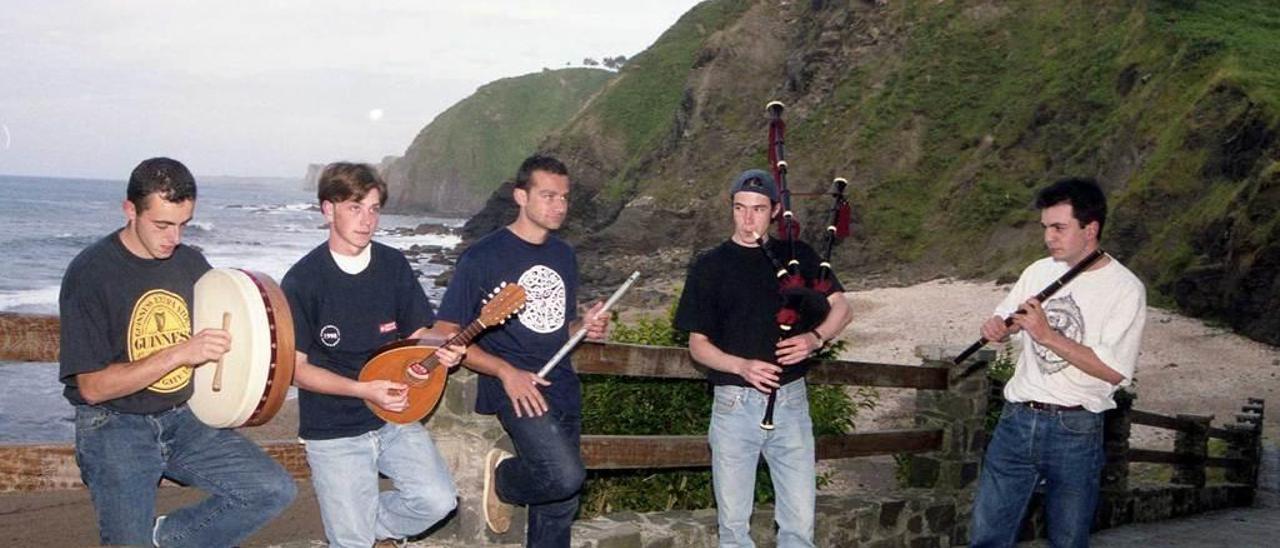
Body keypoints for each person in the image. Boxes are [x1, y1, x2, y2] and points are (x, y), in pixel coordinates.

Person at [58, 157, 296, 547]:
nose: (175, 238)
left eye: (183, 224)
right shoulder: (91, 273)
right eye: (163, 225)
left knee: (271, 489)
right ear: (130, 210)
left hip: (184, 420)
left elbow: (228, 317)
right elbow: (93, 388)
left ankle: (165, 537)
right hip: (115, 425)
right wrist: (179, 353)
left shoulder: (190, 263)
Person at [282, 162, 465, 548]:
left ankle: (365, 524)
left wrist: (444, 349)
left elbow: (420, 334)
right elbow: (298, 371)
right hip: (333, 429)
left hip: (394, 416)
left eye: (374, 208)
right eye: (354, 207)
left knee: (438, 500)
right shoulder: (303, 280)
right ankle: (354, 530)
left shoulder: (392, 265)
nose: (367, 220)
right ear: (327, 210)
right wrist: (363, 390)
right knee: (352, 542)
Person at [435, 154, 608, 548]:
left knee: (561, 505)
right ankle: (503, 481)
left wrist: (585, 327)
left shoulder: (564, 255)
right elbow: (447, 332)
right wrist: (504, 372)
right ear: (520, 196)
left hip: (562, 382)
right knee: (564, 476)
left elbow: (556, 327)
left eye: (564, 197)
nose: (559, 206)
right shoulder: (482, 257)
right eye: (548, 196)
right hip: (517, 390)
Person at [673, 169, 853, 548]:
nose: (748, 219)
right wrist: (741, 366)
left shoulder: (798, 257)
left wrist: (814, 338)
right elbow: (697, 346)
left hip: (791, 403)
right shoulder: (711, 266)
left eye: (757, 209)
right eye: (740, 208)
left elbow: (842, 308)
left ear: (774, 211)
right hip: (733, 405)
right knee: (734, 529)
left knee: (799, 527)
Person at [968, 177, 1146, 548]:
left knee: (1067, 539)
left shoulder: (1125, 289)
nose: (1050, 237)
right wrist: (998, 328)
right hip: (1016, 419)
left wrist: (1048, 335)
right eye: (1046, 227)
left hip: (1075, 428)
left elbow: (1115, 371)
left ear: (1090, 228)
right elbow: (1008, 321)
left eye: (1059, 228)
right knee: (987, 537)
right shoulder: (1038, 271)